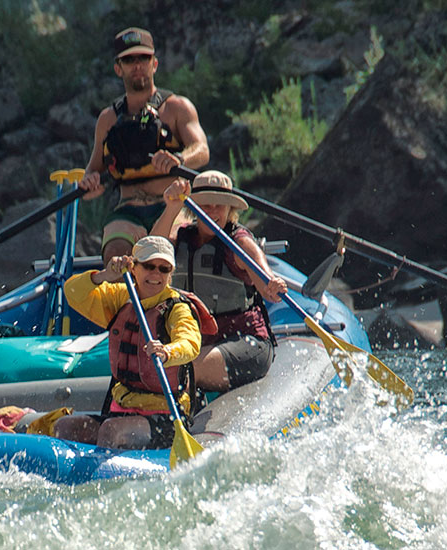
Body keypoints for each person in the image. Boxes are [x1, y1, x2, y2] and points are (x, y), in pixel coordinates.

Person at [53, 236, 205, 449]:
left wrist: (167, 351)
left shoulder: (177, 308)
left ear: (170, 274)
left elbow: (190, 343)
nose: (155, 274)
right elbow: (73, 292)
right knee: (65, 427)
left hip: (165, 417)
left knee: (111, 430)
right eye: (149, 266)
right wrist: (106, 275)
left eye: (163, 269)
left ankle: (101, 479)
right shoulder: (122, 297)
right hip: (121, 408)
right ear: (134, 268)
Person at [78, 27, 210, 264]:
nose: (137, 65)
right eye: (129, 60)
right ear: (118, 68)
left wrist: (179, 159)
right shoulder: (108, 119)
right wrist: (90, 184)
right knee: (116, 253)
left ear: (154, 64)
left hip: (173, 205)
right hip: (129, 210)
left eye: (143, 58)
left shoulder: (177, 108)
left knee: (166, 250)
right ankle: (124, 299)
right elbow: (93, 173)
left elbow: (202, 150)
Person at [151, 170, 289, 392]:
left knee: (182, 368)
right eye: (205, 205)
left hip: (247, 343)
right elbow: (150, 251)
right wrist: (171, 207)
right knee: (160, 366)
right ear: (193, 208)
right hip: (199, 341)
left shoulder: (240, 244)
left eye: (219, 205)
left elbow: (267, 286)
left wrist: (273, 284)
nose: (212, 211)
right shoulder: (182, 237)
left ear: (230, 209)